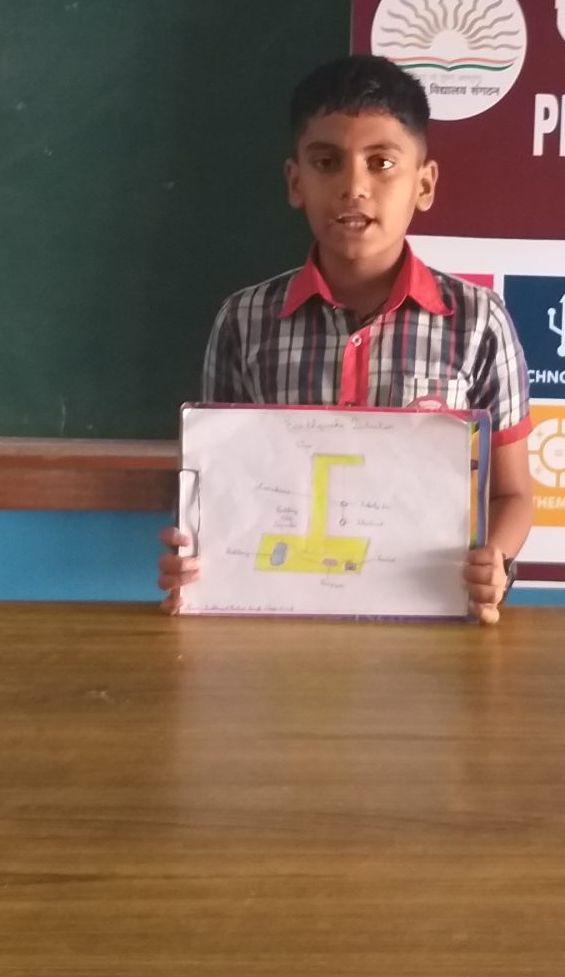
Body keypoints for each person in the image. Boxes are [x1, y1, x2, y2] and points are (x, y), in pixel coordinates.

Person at [159, 53, 534, 620]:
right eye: (327, 162)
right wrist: (194, 556)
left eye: (382, 163)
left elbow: (514, 495)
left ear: (424, 184)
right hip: (279, 627)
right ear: (296, 182)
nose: (354, 187)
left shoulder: (478, 321)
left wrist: (495, 561)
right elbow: (219, 493)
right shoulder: (245, 320)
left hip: (428, 622)